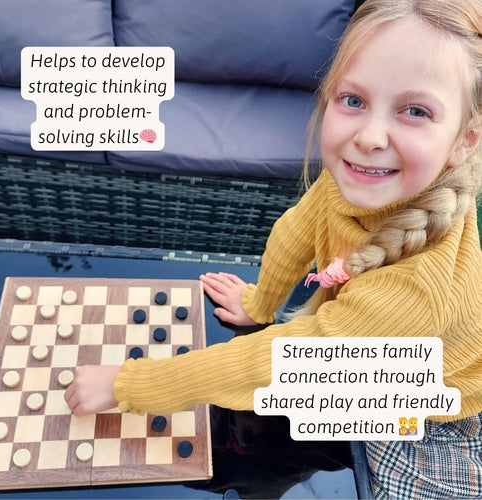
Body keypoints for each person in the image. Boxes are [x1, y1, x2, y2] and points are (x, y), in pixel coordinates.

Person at [65, 0, 482, 497]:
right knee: (246, 436)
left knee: (256, 457)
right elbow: (294, 232)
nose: (369, 136)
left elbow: (278, 363)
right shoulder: (358, 179)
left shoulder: (415, 292)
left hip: (418, 395)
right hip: (346, 341)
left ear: (464, 140)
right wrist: (259, 303)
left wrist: (128, 385)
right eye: (353, 100)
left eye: (415, 111)